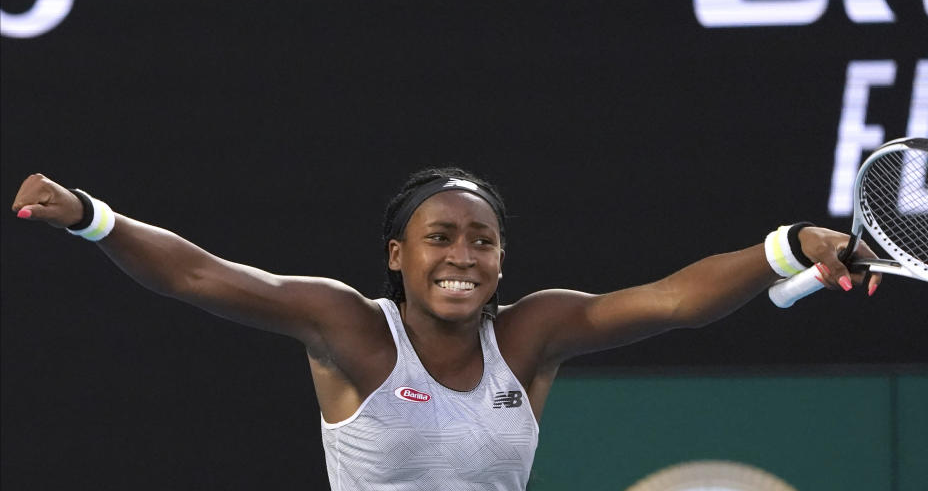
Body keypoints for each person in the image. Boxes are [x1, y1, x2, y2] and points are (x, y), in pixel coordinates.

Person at [11, 168, 881, 490]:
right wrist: (93, 217)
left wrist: (789, 246)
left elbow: (672, 301)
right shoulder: (347, 328)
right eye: (440, 238)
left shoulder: (533, 334)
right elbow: (202, 275)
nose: (462, 255)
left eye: (483, 240)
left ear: (503, 260)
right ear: (398, 255)